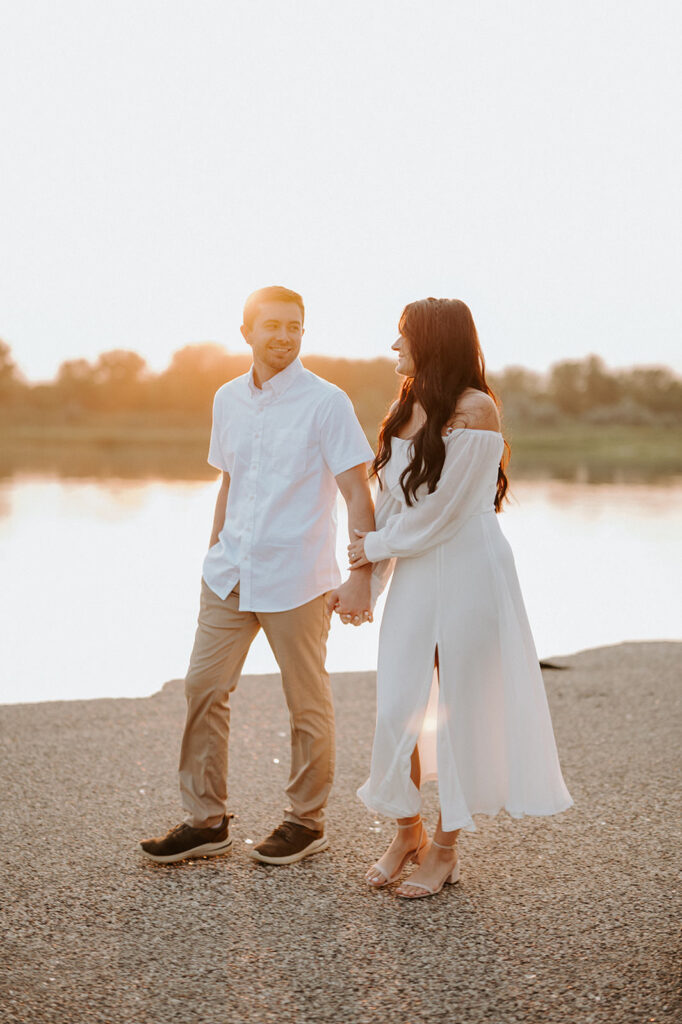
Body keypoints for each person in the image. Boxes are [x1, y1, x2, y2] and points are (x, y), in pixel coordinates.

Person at [347, 297, 573, 899]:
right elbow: (397, 507)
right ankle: (407, 831)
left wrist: (371, 546)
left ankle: (444, 850)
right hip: (418, 569)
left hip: (470, 567)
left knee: (457, 709)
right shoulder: (407, 406)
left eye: (403, 337)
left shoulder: (476, 410)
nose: (394, 348)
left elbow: (445, 514)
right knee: (398, 705)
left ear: (434, 340)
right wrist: (367, 576)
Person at [141, 285, 375, 865]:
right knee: (203, 687)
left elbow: (356, 492)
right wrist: (213, 550)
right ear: (246, 331)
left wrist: (361, 575)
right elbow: (229, 481)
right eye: (272, 325)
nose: (285, 336)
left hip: (297, 576)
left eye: (295, 326)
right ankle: (207, 819)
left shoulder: (327, 402)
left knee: (307, 701)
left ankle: (306, 821)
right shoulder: (227, 398)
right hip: (229, 574)